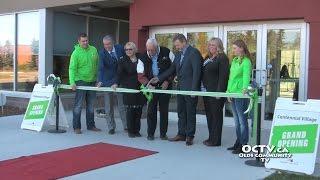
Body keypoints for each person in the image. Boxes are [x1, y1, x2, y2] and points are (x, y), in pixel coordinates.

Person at [150, 34, 202, 146]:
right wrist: (159, 78)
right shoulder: (178, 54)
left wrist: (194, 90)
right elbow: (172, 69)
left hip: (190, 89)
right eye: (175, 46)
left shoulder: (194, 53)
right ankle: (181, 134)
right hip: (180, 89)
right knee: (181, 112)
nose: (177, 48)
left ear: (184, 42)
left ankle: (189, 136)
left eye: (178, 45)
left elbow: (197, 73)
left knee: (190, 113)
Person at [137, 38, 172, 141]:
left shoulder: (167, 52)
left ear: (157, 47)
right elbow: (140, 75)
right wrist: (148, 84)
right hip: (151, 86)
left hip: (165, 85)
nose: (151, 52)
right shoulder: (142, 57)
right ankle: (150, 133)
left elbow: (174, 68)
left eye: (152, 50)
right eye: (149, 50)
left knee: (164, 110)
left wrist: (168, 81)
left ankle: (163, 134)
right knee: (151, 111)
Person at [69, 33, 101, 134]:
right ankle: (76, 127)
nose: (85, 43)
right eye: (83, 41)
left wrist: (98, 79)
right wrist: (72, 82)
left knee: (91, 105)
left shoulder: (94, 49)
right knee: (78, 105)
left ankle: (91, 125)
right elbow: (72, 68)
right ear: (79, 41)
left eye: (86, 40)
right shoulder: (76, 53)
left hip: (92, 81)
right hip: (80, 81)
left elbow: (98, 65)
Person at [97, 35, 127, 135]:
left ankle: (126, 126)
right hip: (107, 82)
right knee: (108, 106)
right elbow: (101, 68)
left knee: (122, 105)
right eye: (105, 44)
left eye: (109, 44)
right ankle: (111, 127)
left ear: (113, 42)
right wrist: (100, 80)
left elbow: (125, 62)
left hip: (120, 81)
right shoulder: (102, 53)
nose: (107, 46)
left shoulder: (120, 48)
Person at [202, 37, 229, 147]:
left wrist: (219, 92)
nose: (210, 47)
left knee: (216, 116)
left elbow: (223, 77)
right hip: (207, 91)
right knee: (209, 115)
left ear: (219, 46)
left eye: (213, 45)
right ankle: (211, 137)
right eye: (209, 45)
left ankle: (216, 140)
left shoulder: (222, 58)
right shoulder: (208, 57)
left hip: (216, 92)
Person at [226, 39, 252, 154]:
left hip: (241, 94)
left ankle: (243, 144)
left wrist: (245, 89)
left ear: (241, 48)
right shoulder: (235, 61)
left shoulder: (246, 61)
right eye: (233, 48)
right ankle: (238, 142)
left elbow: (246, 77)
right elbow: (231, 78)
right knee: (236, 121)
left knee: (242, 120)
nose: (233, 50)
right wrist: (228, 92)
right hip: (233, 93)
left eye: (235, 48)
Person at [117, 42, 146, 138]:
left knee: (138, 110)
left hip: (140, 88)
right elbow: (119, 74)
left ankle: (137, 130)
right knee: (130, 111)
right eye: (126, 49)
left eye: (130, 49)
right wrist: (116, 83)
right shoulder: (122, 60)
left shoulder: (141, 57)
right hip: (129, 88)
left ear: (135, 49)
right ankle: (130, 131)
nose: (128, 51)